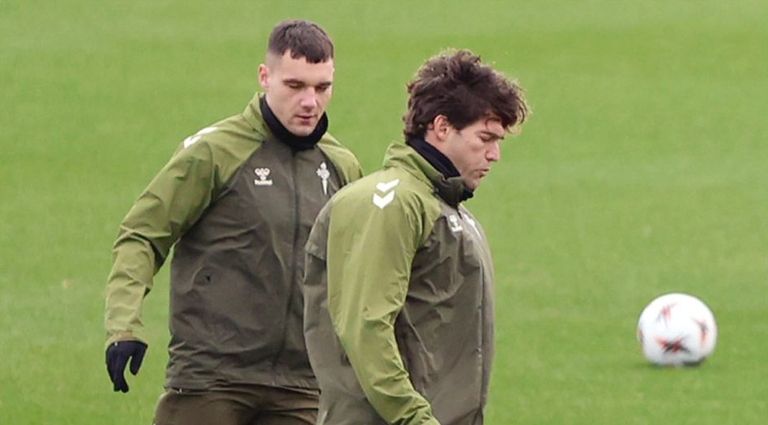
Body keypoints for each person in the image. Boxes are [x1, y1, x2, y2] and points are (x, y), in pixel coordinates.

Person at [104, 19, 362, 425]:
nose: (310, 101)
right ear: (265, 77)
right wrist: (123, 326)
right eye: (295, 86)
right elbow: (142, 234)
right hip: (213, 378)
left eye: (322, 87)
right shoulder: (214, 153)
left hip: (301, 385)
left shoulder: (341, 166)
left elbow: (362, 270)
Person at [302, 49, 530, 425]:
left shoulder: (451, 211)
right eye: (485, 138)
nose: (495, 155)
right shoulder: (391, 204)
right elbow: (367, 329)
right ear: (441, 127)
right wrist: (415, 418)